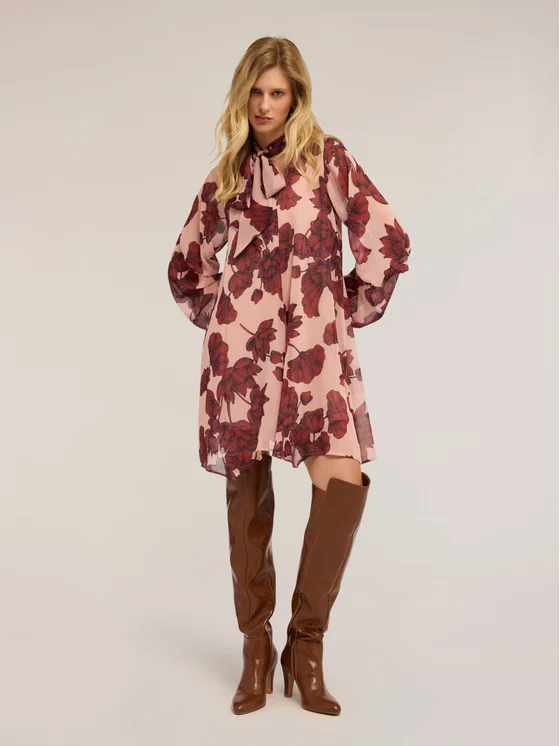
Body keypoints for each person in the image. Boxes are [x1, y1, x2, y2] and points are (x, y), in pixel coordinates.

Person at [167, 37, 410, 716]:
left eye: (278, 92)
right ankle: (255, 647)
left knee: (342, 482)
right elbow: (186, 265)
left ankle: (306, 647)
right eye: (255, 91)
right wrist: (226, 317)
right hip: (243, 362)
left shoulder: (328, 160)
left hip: (313, 356)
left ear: (297, 97)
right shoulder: (227, 177)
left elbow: (388, 241)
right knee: (247, 496)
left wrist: (343, 308)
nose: (265, 104)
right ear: (241, 96)